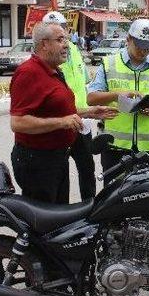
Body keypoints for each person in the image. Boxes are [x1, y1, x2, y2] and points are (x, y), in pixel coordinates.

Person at [9, 22, 117, 204]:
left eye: (66, 39)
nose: (66, 44)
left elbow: (58, 110)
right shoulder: (28, 72)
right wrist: (62, 123)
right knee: (43, 223)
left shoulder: (53, 70)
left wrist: (89, 112)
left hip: (56, 157)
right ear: (44, 44)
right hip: (37, 162)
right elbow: (18, 122)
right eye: (60, 40)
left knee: (59, 217)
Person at [87, 19, 149, 182]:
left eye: (148, 47)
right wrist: (118, 94)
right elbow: (91, 98)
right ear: (128, 39)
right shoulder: (109, 64)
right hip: (115, 148)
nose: (143, 51)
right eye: (139, 45)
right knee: (114, 201)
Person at [42, 11, 97, 201]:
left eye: (62, 30)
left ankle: (90, 208)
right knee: (60, 174)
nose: (60, 36)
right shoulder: (44, 57)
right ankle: (63, 215)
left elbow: (83, 81)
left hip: (82, 120)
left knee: (87, 168)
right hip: (61, 123)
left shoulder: (73, 49)